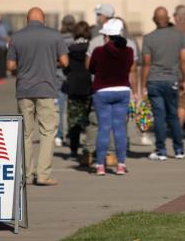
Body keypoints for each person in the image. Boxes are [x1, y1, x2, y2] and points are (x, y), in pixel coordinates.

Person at [7, 7, 68, 186]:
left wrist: (24, 65)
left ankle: (25, 175)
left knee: (26, 133)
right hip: (47, 88)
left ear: (27, 19)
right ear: (44, 19)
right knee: (47, 132)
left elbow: (10, 66)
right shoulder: (54, 35)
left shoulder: (16, 37)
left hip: (24, 90)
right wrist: (50, 61)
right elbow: (65, 61)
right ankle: (43, 174)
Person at [88, 18, 136, 175]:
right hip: (122, 90)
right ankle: (121, 164)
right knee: (120, 128)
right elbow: (130, 67)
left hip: (102, 91)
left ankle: (100, 165)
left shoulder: (98, 52)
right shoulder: (129, 51)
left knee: (104, 128)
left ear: (107, 36)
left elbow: (92, 69)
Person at [141, 7, 185, 161]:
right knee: (173, 115)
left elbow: (146, 64)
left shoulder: (148, 38)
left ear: (154, 20)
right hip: (172, 80)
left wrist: (143, 85)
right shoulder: (178, 36)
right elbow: (183, 60)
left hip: (154, 80)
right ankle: (179, 149)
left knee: (159, 117)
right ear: (168, 18)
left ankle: (161, 151)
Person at [64, 21, 91, 158]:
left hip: (73, 86)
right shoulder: (91, 47)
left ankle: (74, 150)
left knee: (74, 120)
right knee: (89, 120)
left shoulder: (70, 48)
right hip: (89, 86)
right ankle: (88, 149)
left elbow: (65, 67)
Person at [55, 14, 76, 147]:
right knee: (72, 110)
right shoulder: (75, 39)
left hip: (58, 77)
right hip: (72, 78)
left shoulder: (57, 39)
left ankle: (59, 135)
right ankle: (70, 135)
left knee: (60, 110)